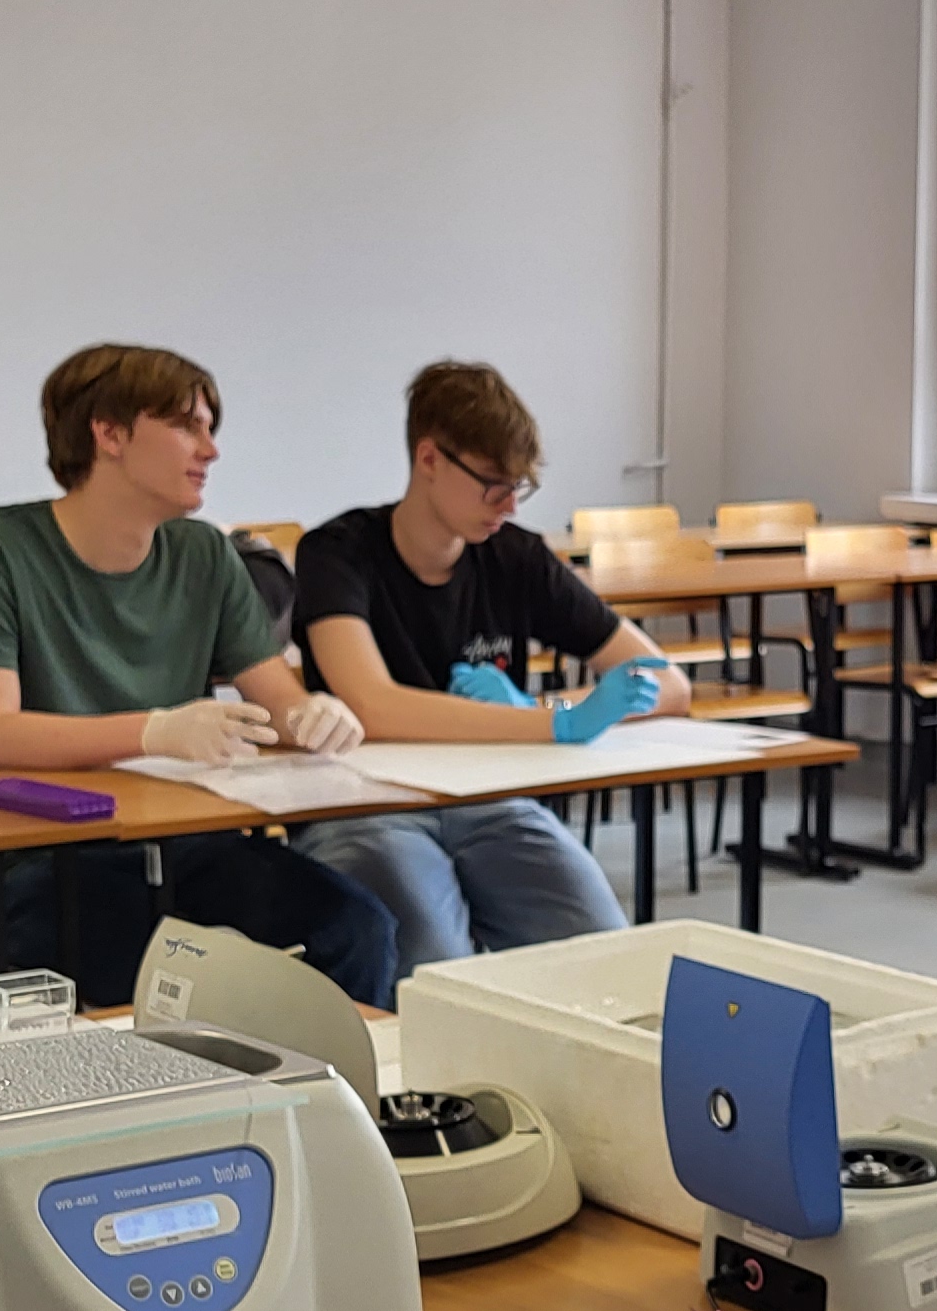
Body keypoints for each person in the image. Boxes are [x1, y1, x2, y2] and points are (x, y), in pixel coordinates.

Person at [0, 343, 397, 1002]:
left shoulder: (203, 552)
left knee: (355, 930)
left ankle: (316, 1076)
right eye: (186, 426)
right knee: (152, 984)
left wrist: (315, 717)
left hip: (185, 845)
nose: (210, 449)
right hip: (42, 857)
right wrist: (153, 731)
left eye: (210, 428)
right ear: (109, 434)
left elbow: (277, 700)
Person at [293, 360, 690, 982]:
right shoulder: (337, 552)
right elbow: (373, 705)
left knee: (607, 956)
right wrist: (551, 723)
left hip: (492, 800)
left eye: (518, 488)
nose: (507, 506)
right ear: (429, 458)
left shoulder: (515, 557)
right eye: (492, 485)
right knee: (436, 968)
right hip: (367, 806)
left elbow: (670, 683)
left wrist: (551, 709)